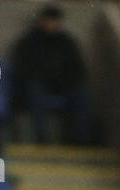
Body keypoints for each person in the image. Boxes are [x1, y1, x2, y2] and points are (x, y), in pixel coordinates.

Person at [10, 4, 91, 145]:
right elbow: (23, 69)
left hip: (62, 86)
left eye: (55, 21)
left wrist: (66, 81)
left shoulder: (67, 43)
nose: (51, 24)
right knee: (36, 92)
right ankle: (42, 138)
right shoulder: (29, 42)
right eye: (49, 20)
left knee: (82, 95)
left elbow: (78, 69)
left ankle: (80, 139)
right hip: (35, 86)